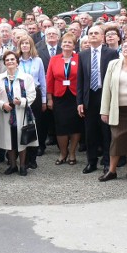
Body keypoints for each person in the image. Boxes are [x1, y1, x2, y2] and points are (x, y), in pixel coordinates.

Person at [77, 25, 119, 174]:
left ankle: (107, 162)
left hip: (105, 95)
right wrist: (80, 101)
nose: (93, 35)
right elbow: (80, 80)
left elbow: (115, 77)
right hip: (89, 97)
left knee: (106, 131)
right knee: (90, 132)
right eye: (90, 33)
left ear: (102, 37)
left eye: (96, 33)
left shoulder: (112, 53)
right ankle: (91, 162)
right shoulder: (82, 54)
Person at [99, 39, 127, 181]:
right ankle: (112, 170)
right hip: (117, 109)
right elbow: (106, 88)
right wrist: (104, 110)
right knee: (115, 139)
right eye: (125, 46)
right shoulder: (113, 64)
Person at [0, 50, 37, 176]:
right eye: (7, 60)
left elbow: (32, 95)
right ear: (4, 63)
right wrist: (2, 105)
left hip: (21, 112)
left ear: (17, 62)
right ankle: (12, 165)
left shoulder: (26, 77)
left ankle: (23, 165)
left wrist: (22, 101)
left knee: (21, 139)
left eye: (12, 59)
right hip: (6, 112)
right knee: (9, 140)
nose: (10, 62)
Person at [46, 32, 83, 165]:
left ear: (74, 45)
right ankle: (63, 152)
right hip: (59, 97)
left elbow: (83, 79)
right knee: (61, 126)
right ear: (61, 44)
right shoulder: (54, 59)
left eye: (70, 43)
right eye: (65, 42)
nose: (67, 44)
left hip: (75, 97)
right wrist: (49, 98)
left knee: (75, 126)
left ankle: (72, 153)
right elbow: (49, 80)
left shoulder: (80, 58)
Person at [16, 35, 47, 167]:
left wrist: (44, 100)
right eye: (22, 43)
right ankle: (23, 157)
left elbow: (43, 80)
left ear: (31, 46)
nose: (24, 46)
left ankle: (32, 158)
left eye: (27, 43)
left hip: (36, 94)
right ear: (19, 46)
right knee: (22, 125)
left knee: (35, 125)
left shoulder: (38, 60)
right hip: (21, 95)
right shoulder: (16, 60)